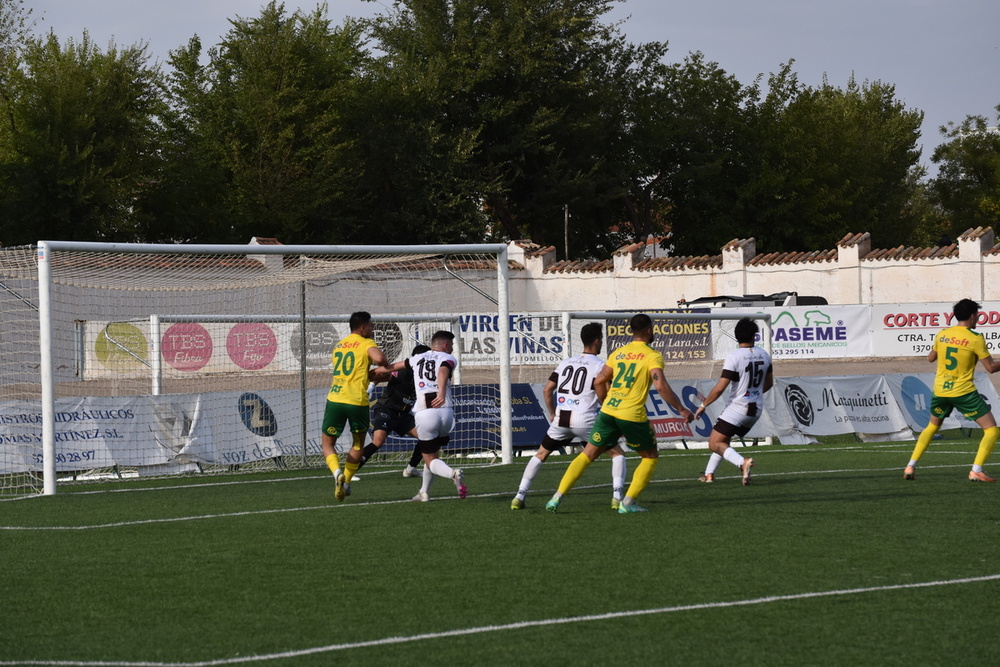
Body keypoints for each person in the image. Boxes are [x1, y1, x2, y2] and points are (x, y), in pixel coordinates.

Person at [545, 313, 695, 514]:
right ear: (650, 330)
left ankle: (556, 498)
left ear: (632, 331)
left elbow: (599, 381)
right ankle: (627, 502)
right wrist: (681, 408)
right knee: (650, 456)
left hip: (608, 412)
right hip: (631, 414)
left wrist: (606, 402)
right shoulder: (652, 355)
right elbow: (660, 385)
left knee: (587, 454)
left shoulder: (618, 353)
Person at [511, 323, 628, 510]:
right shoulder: (600, 366)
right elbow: (606, 394)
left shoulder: (565, 363)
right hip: (585, 419)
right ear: (597, 341)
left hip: (561, 418)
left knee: (541, 454)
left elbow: (547, 389)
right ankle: (617, 497)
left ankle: (519, 495)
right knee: (617, 454)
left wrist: (551, 413)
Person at [904, 298, 1000, 482]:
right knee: (992, 430)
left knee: (932, 426)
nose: (978, 319)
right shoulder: (975, 338)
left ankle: (910, 466)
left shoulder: (943, 334)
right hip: (963, 392)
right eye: (977, 316)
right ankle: (976, 470)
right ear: (972, 316)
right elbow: (991, 368)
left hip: (940, 390)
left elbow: (930, 358)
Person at [387, 330, 467, 501]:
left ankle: (453, 473)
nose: (452, 349)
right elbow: (443, 369)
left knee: (430, 459)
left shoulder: (417, 358)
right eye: (451, 345)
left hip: (425, 413)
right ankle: (424, 492)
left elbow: (392, 367)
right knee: (431, 454)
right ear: (445, 345)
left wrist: (372, 373)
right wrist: (442, 395)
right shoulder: (449, 358)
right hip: (446, 413)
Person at [693, 318, 773, 485]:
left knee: (714, 443)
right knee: (723, 439)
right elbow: (769, 383)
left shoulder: (734, 357)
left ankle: (742, 463)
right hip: (755, 410)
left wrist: (703, 405)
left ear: (736, 337)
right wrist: (753, 393)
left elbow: (720, 387)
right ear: (754, 337)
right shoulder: (764, 355)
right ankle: (709, 474)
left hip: (738, 407)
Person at [321, 311, 390, 502]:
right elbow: (380, 360)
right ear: (362, 328)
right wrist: (383, 367)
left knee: (327, 444)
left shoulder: (339, 345)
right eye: (371, 325)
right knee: (358, 443)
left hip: (335, 398)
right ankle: (347, 480)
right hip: (357, 400)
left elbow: (353, 371)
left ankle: (336, 474)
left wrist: (370, 374)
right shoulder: (367, 343)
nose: (373, 328)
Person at [353, 344, 431, 481]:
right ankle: (350, 471)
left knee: (426, 437)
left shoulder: (424, 373)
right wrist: (371, 386)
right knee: (378, 441)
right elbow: (380, 373)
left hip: (404, 415)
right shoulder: (404, 369)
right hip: (386, 409)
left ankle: (411, 468)